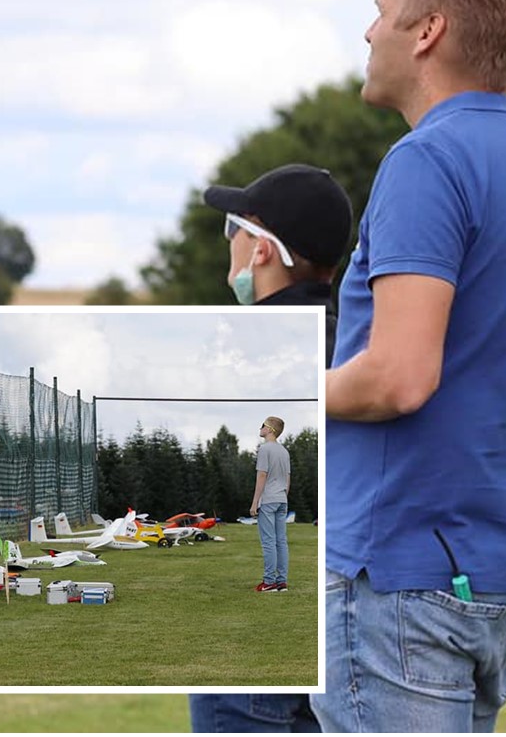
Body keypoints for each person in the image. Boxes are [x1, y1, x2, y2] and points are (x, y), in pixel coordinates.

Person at [313, 0, 506, 733]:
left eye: (381, 13)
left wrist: (282, 390)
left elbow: (400, 375)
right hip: (501, 573)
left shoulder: (426, 162)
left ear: (428, 29)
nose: (370, 31)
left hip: (403, 574)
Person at [188, 164, 353, 733]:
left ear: (261, 250)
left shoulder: (260, 354)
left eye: (232, 227)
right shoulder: (351, 342)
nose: (227, 243)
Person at [203, 162, 353, 364]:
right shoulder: (349, 352)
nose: (230, 238)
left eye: (233, 226)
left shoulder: (235, 356)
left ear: (262, 251)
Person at [250, 415, 291, 592]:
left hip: (268, 500)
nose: (260, 428)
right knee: (281, 541)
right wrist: (284, 496)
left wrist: (254, 503)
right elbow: (288, 478)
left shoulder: (265, 449)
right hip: (282, 499)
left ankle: (268, 582)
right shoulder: (284, 451)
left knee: (268, 542)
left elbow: (262, 476)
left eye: (263, 426)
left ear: (270, 430)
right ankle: (281, 581)